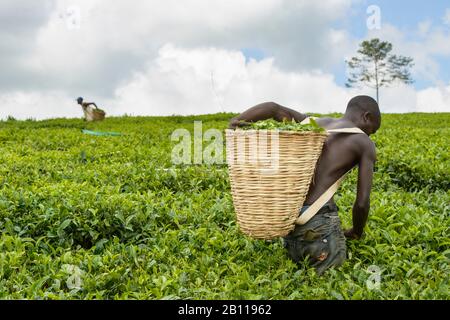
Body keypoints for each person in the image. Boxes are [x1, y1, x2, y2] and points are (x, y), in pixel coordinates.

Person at [229, 95, 381, 274]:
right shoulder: (364, 143)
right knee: (330, 284)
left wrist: (235, 122)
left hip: (290, 223)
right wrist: (356, 231)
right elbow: (362, 201)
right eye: (372, 130)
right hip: (319, 226)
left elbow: (273, 108)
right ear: (367, 117)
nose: (370, 134)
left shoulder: (314, 123)